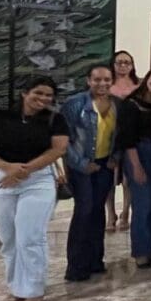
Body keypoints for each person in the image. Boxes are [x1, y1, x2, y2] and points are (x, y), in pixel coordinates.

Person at [0, 76, 70, 301]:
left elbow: (58, 149)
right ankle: (17, 288)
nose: (43, 98)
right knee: (9, 239)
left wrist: (24, 170)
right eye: (38, 93)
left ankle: (34, 292)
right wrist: (6, 167)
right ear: (25, 93)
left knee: (30, 237)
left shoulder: (55, 119)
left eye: (49, 95)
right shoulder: (1, 117)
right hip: (1, 179)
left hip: (37, 180)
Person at [61, 64, 120, 282]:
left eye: (107, 79)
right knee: (84, 211)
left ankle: (95, 260)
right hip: (82, 166)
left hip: (105, 166)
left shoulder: (117, 105)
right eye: (97, 79)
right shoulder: (75, 104)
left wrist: (115, 158)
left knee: (97, 211)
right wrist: (81, 164)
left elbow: (120, 135)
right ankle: (76, 266)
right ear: (88, 81)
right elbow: (64, 139)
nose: (102, 83)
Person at [116, 65, 151, 268]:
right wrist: (136, 167)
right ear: (147, 77)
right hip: (139, 154)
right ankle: (141, 252)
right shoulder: (130, 104)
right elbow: (127, 139)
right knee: (143, 204)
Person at [107, 50, 139, 232]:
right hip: (109, 135)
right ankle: (110, 214)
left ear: (132, 65)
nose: (123, 66)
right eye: (119, 62)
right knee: (110, 177)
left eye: (127, 62)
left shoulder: (138, 85)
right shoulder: (106, 84)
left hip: (131, 135)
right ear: (113, 64)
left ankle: (126, 212)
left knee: (128, 178)